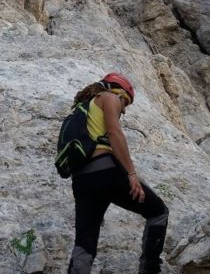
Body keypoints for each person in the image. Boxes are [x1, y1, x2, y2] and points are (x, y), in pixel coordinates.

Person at [67, 72, 169, 274]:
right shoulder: (109, 97)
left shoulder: (81, 111)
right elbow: (114, 133)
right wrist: (131, 174)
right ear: (119, 92)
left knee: (84, 244)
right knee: (158, 212)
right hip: (105, 171)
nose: (124, 110)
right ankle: (150, 270)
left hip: (81, 180)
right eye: (126, 104)